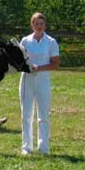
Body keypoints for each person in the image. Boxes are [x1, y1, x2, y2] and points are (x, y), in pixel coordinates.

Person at [19, 12, 59, 155]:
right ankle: (26, 147)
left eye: (41, 24)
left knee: (43, 115)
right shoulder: (25, 41)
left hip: (43, 80)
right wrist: (27, 67)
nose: (39, 26)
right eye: (36, 24)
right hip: (27, 80)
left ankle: (43, 148)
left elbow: (55, 64)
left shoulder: (51, 42)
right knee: (26, 114)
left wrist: (39, 68)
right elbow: (20, 60)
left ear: (45, 25)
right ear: (32, 25)